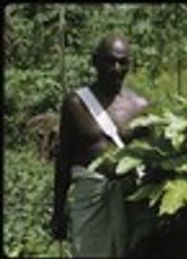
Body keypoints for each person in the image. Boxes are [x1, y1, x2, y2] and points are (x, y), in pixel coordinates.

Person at [51, 33, 149, 257]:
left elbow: (152, 158)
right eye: (110, 60)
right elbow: (64, 159)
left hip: (129, 201)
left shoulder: (141, 106)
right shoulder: (75, 104)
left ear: (130, 65)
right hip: (90, 200)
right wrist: (58, 211)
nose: (116, 68)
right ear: (95, 61)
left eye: (123, 62)